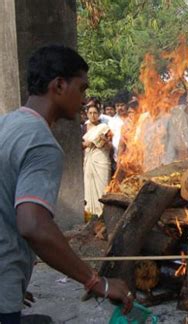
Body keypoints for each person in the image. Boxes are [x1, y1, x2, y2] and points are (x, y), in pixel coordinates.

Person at [0, 45, 133, 323]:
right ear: (59, 85)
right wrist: (98, 283)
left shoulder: (6, 124)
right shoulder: (42, 143)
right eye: (82, 89)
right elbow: (34, 226)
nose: (85, 100)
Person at [82, 104, 112, 217]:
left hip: (101, 160)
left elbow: (110, 146)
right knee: (89, 188)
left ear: (99, 114)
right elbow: (79, 145)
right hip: (89, 160)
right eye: (90, 113)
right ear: (87, 114)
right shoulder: (83, 128)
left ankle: (104, 216)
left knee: (103, 188)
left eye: (95, 113)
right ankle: (90, 215)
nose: (93, 115)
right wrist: (87, 143)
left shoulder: (105, 127)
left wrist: (105, 141)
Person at [108, 91, 129, 163]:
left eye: (122, 105)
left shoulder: (133, 119)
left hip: (132, 156)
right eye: (117, 106)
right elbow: (110, 140)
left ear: (127, 105)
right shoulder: (111, 122)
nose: (120, 108)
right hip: (117, 159)